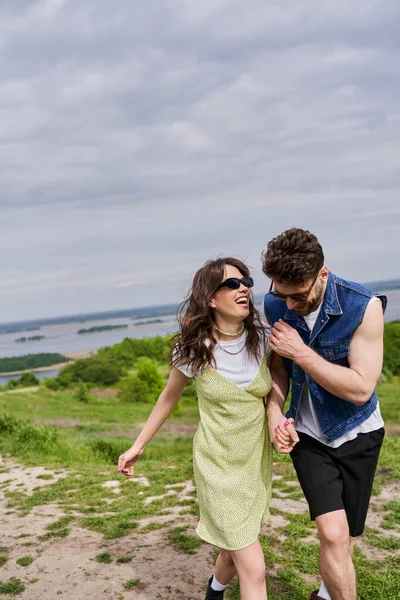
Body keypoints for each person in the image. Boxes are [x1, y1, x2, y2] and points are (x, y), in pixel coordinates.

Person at [117, 257, 295, 600]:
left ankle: (214, 592)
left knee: (234, 545)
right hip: (217, 466)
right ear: (210, 299)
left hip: (253, 464)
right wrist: (138, 445)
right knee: (254, 567)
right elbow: (168, 399)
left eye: (245, 281)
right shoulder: (194, 350)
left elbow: (278, 378)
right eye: (231, 283)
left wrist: (278, 415)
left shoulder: (264, 339)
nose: (243, 287)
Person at [262, 228, 386, 600]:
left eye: (298, 295)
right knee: (332, 534)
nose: (288, 306)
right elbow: (278, 369)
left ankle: (326, 592)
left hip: (359, 430)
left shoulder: (363, 307)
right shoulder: (276, 305)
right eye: (279, 294)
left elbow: (361, 387)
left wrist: (301, 352)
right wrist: (273, 411)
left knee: (348, 535)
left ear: (322, 274)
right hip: (309, 437)